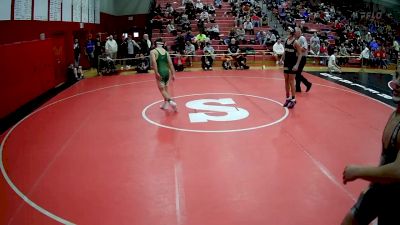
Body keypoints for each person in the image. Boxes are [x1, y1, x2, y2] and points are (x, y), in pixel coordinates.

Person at [341, 70, 400, 225]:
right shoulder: (394, 115)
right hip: (381, 188)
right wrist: (373, 184)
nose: (397, 82)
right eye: (397, 75)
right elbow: (385, 159)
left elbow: (397, 171)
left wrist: (358, 171)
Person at [150, 38, 177, 111]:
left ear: (156, 44)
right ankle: (165, 105)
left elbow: (154, 62)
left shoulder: (153, 52)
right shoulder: (166, 52)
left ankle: (170, 101)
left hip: (160, 71)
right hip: (167, 72)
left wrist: (156, 72)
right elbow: (171, 64)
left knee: (162, 90)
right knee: (166, 88)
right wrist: (173, 74)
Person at [279, 27, 302, 109]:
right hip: (286, 63)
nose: (286, 33)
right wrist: (281, 59)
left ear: (292, 33)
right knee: (286, 80)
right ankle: (288, 98)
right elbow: (285, 51)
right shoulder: (286, 41)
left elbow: (300, 54)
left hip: (293, 64)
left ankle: (293, 99)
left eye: (288, 31)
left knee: (291, 81)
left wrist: (297, 65)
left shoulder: (296, 43)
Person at [294, 27, 312, 93]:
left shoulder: (302, 38)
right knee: (296, 74)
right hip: (298, 58)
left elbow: (305, 48)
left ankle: (306, 85)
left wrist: (296, 50)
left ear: (299, 32)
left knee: (297, 73)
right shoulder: (297, 39)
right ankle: (299, 87)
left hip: (302, 58)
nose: (294, 33)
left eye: (295, 32)